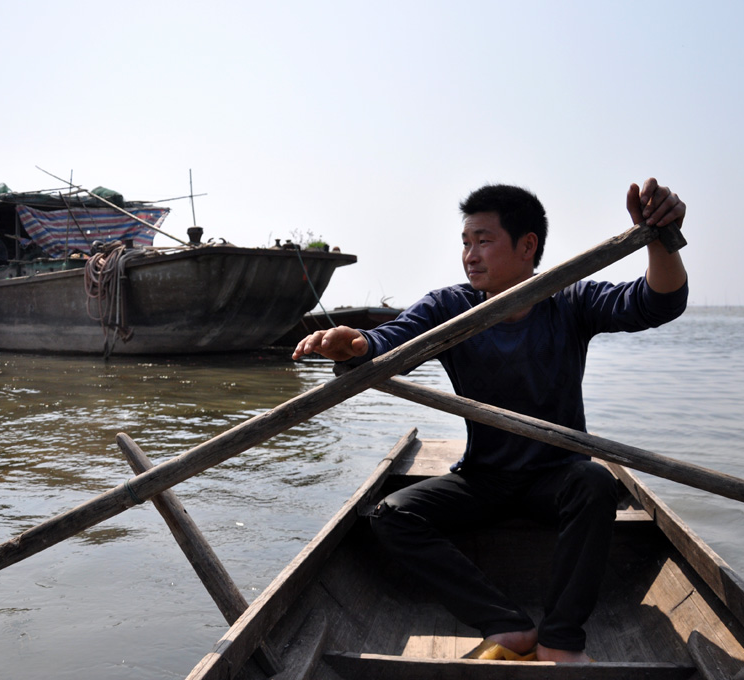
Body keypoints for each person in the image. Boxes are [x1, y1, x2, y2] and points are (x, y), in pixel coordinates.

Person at [292, 178, 688, 663]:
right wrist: (352, 345)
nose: (470, 255)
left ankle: (560, 640)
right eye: (465, 242)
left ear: (527, 246)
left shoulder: (568, 301)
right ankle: (507, 625)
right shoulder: (450, 308)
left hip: (555, 481)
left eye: (483, 240)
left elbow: (657, 301)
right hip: (484, 480)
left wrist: (660, 238)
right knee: (391, 515)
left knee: (594, 482)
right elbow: (387, 343)